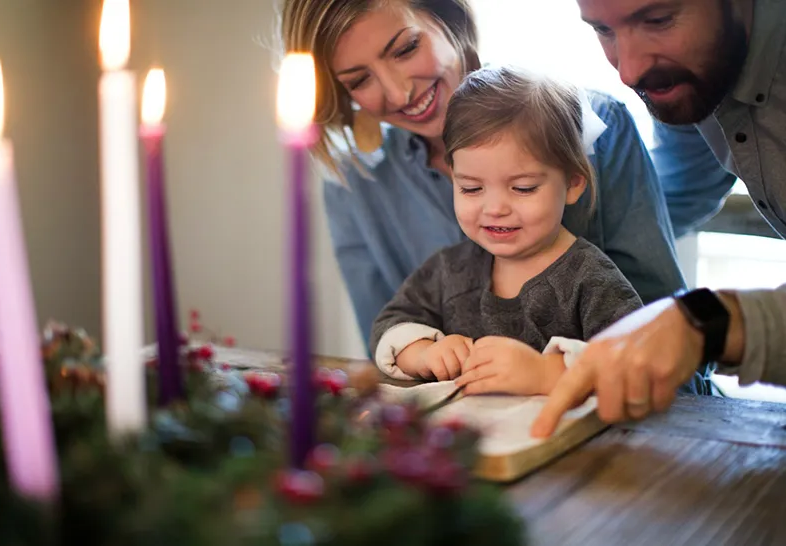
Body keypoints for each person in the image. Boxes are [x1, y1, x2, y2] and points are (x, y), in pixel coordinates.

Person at [279, 0, 706, 392]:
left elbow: (665, 349)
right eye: (359, 80)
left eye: (406, 49)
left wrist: (552, 374)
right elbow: (388, 354)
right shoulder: (355, 186)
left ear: (448, 18)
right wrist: (421, 352)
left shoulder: (593, 130)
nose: (398, 92)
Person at [532, 0, 786, 438]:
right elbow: (686, 186)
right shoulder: (691, 76)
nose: (628, 71)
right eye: (603, 31)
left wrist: (707, 321)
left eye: (657, 20)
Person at [369, 66, 643, 396]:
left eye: (523, 188)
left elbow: (636, 363)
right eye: (471, 189)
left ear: (572, 183)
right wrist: (424, 352)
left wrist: (547, 374)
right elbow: (391, 323)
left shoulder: (591, 279)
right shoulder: (450, 269)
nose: (495, 208)